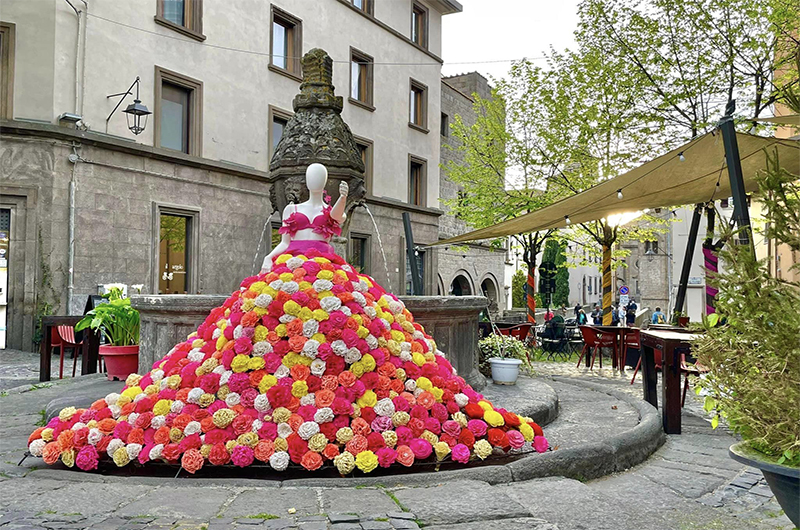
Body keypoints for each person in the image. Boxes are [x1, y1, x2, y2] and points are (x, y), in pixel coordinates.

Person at [25, 163, 550, 475]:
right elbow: (281, 247)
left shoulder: (326, 209)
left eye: (322, 180)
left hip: (325, 277)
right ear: (309, 183)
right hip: (296, 277)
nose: (319, 183)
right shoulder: (299, 211)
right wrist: (268, 266)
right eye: (318, 180)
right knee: (264, 336)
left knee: (360, 334)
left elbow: (316, 238)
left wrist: (337, 206)